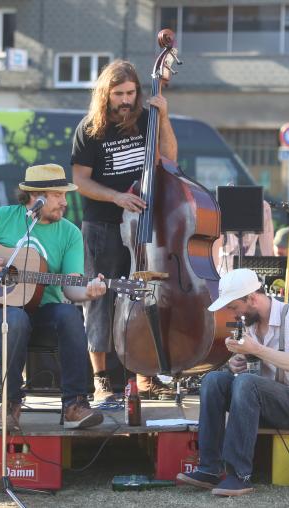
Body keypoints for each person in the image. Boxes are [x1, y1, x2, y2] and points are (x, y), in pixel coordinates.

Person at [0, 163, 106, 431]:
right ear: (37, 198)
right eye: (58, 195)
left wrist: (89, 291)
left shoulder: (69, 232)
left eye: (65, 195)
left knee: (70, 314)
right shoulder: (1, 218)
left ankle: (75, 405)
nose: (65, 202)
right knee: (13, 318)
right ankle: (10, 404)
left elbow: (71, 288)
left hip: (44, 314)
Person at [71, 60, 177, 402]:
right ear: (106, 94)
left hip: (144, 225)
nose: (126, 100)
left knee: (141, 295)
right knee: (99, 297)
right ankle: (101, 378)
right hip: (102, 224)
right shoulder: (89, 128)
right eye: (119, 94)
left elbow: (170, 160)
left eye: (131, 93)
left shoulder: (147, 120)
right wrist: (117, 197)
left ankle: (143, 375)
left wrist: (164, 117)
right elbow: (80, 181)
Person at [176, 269, 289, 497]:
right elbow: (257, 372)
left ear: (252, 299)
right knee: (214, 380)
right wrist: (239, 362)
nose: (233, 313)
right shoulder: (251, 323)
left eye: (234, 307)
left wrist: (256, 349)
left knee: (248, 383)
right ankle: (209, 468)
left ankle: (240, 476)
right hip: (266, 401)